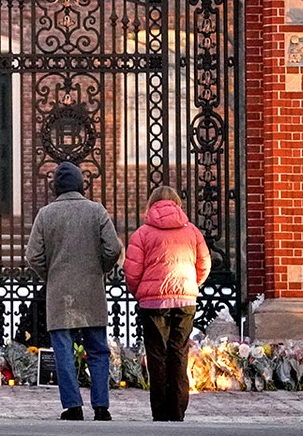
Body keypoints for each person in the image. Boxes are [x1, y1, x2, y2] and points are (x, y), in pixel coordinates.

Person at [24, 161, 122, 421]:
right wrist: (99, 268)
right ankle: (101, 406)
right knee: (98, 349)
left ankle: (72, 406)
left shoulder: (45, 214)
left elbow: (33, 255)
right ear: (81, 184)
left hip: (60, 293)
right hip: (91, 288)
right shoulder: (96, 211)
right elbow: (113, 248)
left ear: (56, 187)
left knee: (64, 350)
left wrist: (51, 274)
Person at [123, 186, 211, 422]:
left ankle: (160, 410)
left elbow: (132, 271)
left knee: (156, 355)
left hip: (153, 303)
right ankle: (178, 409)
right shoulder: (192, 232)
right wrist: (191, 285)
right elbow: (204, 264)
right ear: (177, 204)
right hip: (185, 300)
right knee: (179, 352)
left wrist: (139, 291)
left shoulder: (142, 234)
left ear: (151, 205)